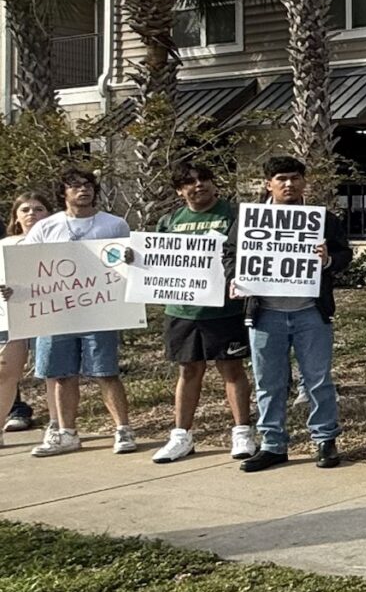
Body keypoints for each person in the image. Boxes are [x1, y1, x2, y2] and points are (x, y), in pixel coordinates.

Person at [240, 156, 352, 472]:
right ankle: (273, 445)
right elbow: (231, 254)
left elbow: (346, 254)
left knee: (317, 380)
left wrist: (329, 260)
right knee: (268, 383)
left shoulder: (322, 219)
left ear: (304, 182)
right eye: (281, 178)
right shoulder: (251, 220)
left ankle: (325, 440)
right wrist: (237, 278)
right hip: (265, 315)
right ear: (268, 184)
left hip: (311, 314)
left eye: (294, 177)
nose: (288, 184)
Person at [13, 169, 135, 457]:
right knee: (62, 374)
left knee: (106, 372)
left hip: (100, 311)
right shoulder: (47, 227)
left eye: (88, 185)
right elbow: (30, 267)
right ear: (63, 193)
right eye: (76, 186)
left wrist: (131, 258)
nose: (84, 190)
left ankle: (123, 429)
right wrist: (13, 289)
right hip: (56, 314)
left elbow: (129, 264)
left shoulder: (114, 224)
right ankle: (66, 432)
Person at [147, 163, 256, 464]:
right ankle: (181, 435)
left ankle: (242, 431)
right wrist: (136, 259)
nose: (199, 185)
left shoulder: (234, 214)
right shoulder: (169, 220)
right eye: (190, 182)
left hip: (225, 308)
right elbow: (157, 260)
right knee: (188, 370)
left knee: (231, 369)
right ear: (179, 190)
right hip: (182, 309)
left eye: (204, 179)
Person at [0, 191, 54, 441]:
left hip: (52, 314)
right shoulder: (4, 246)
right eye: (26, 209)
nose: (32, 213)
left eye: (39, 209)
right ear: (16, 216)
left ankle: (58, 426)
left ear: (49, 214)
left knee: (54, 373)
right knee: (4, 373)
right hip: (11, 316)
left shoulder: (61, 244)